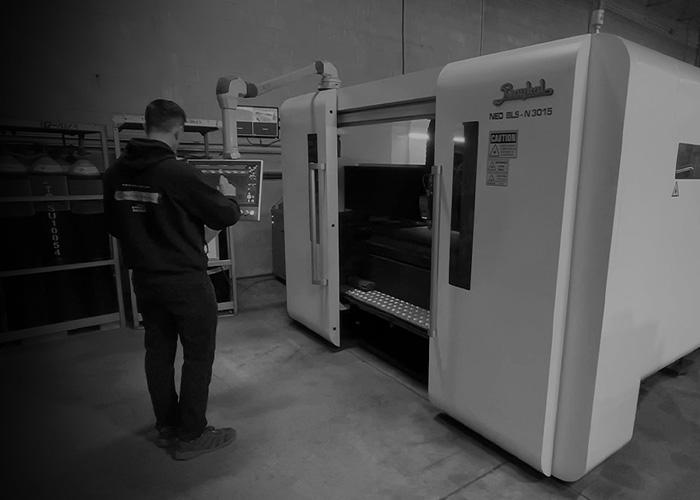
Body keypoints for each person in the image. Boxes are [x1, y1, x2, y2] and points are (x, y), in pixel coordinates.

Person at [103, 99, 241, 460]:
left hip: (146, 280)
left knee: (158, 352)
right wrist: (229, 196)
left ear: (146, 125)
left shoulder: (115, 173)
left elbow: (117, 226)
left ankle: (167, 423)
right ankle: (192, 436)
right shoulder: (177, 172)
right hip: (185, 282)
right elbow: (225, 215)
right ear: (177, 131)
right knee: (198, 357)